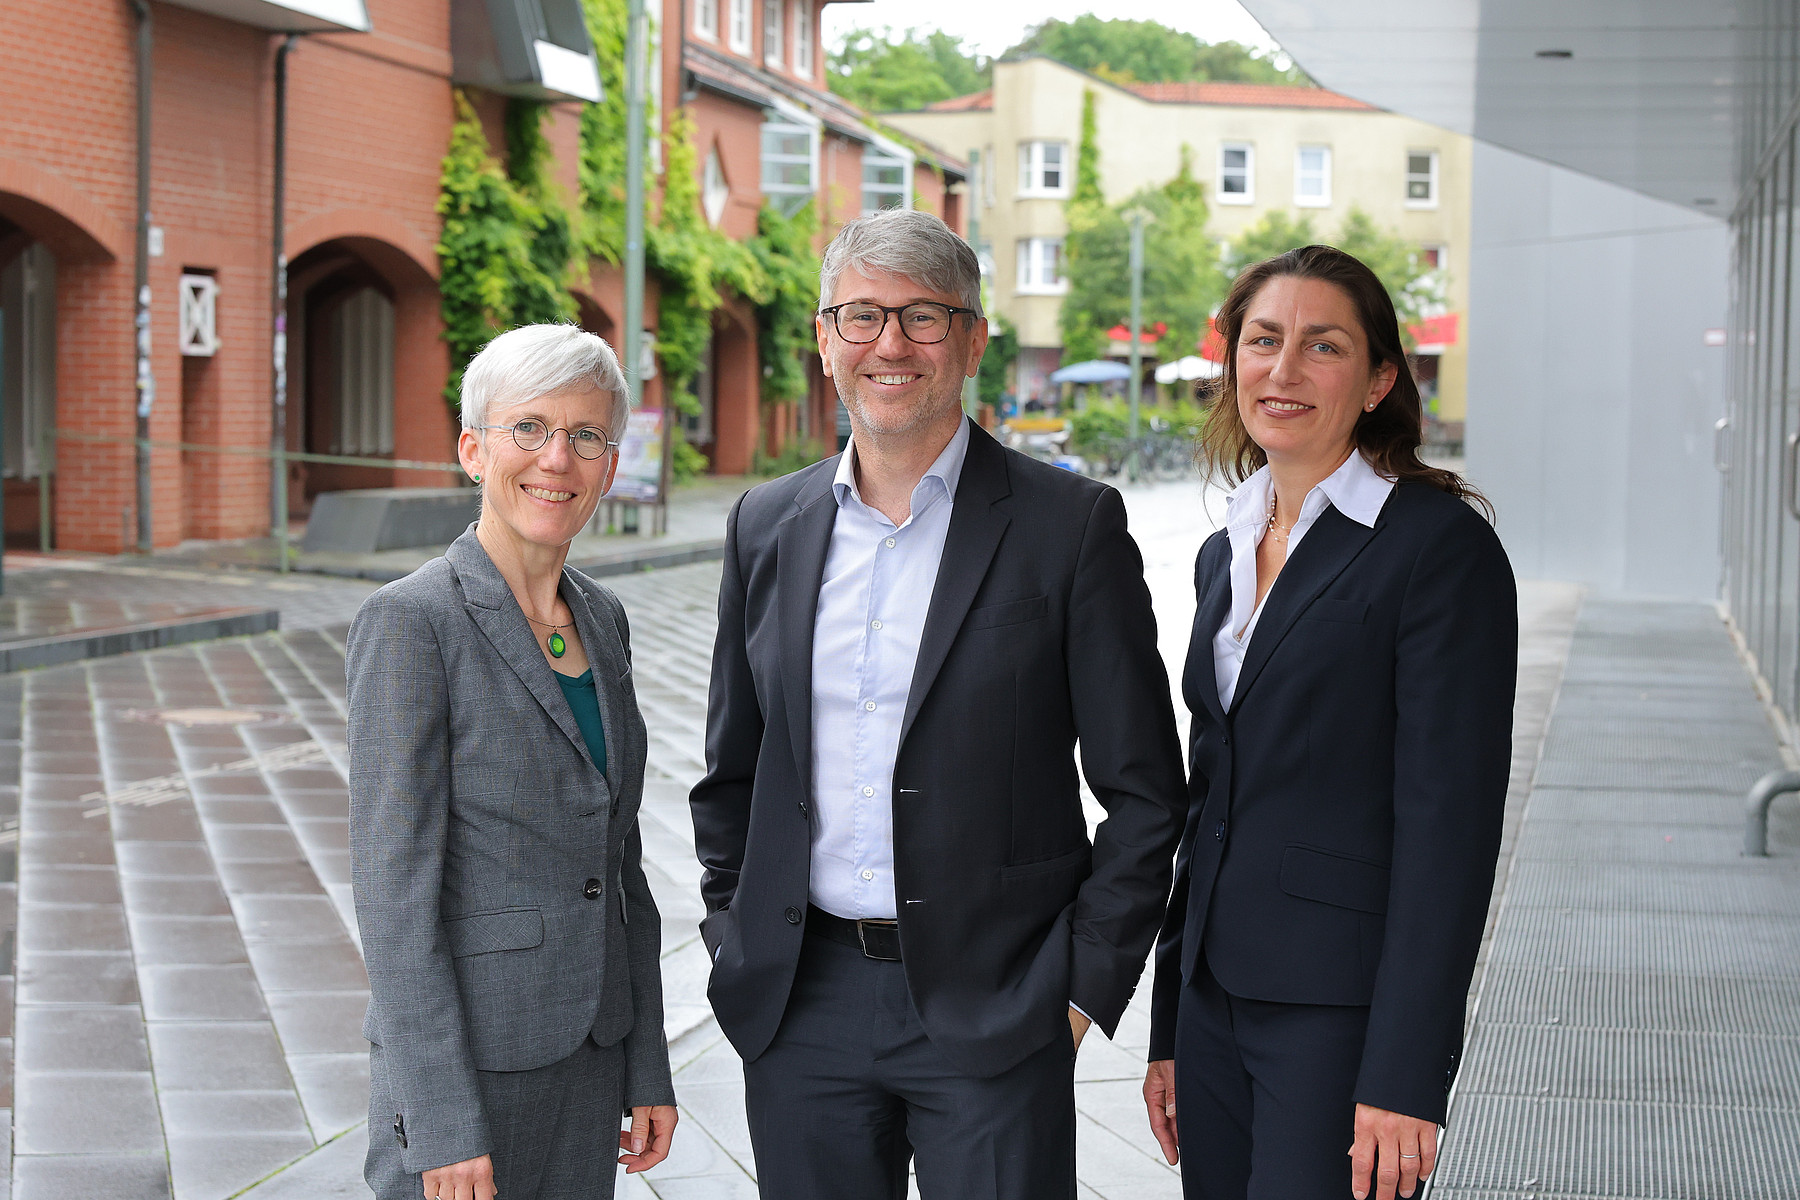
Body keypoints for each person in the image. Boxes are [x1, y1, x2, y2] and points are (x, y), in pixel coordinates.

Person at [690, 208, 1187, 1200]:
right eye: (862, 316)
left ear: (972, 341)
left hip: (1001, 1003)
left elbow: (1144, 791)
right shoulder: (766, 523)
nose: (891, 344)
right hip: (802, 1005)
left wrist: (1080, 989)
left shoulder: (1070, 525)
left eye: (924, 317)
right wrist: (730, 932)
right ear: (825, 338)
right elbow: (733, 766)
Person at [1141, 244, 1517, 1200]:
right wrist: (1170, 1024)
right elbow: (1209, 801)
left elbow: (1450, 833)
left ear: (1379, 379)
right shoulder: (1224, 551)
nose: (1284, 369)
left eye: (1324, 346)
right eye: (1263, 340)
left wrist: (1406, 1074)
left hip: (1340, 1018)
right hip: (1213, 1007)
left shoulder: (1439, 550)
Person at [348, 324, 678, 1200]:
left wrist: (647, 1061)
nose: (556, 459)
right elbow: (393, 898)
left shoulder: (603, 618)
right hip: (471, 1074)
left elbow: (620, 862)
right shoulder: (412, 622)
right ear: (473, 449)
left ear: (610, 465)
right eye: (528, 428)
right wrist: (442, 1120)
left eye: (585, 436)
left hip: (592, 1060)